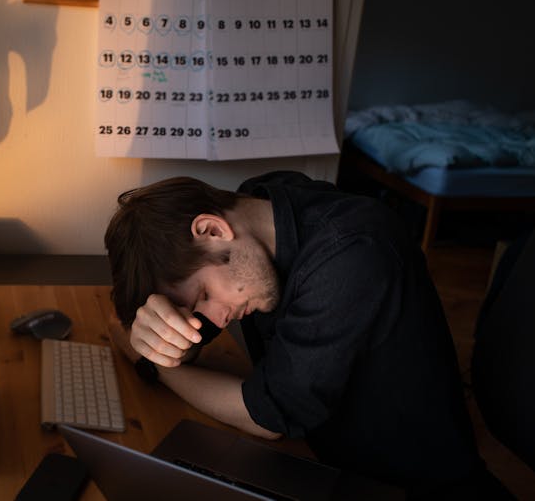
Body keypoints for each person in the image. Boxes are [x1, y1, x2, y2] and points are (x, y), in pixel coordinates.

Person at [104, 171, 512, 500]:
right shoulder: (261, 204)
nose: (217, 319)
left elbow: (268, 418)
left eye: (205, 296)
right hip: (321, 460)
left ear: (212, 230)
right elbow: (198, 326)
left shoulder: (351, 255)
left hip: (409, 487)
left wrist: (159, 367)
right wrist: (163, 335)